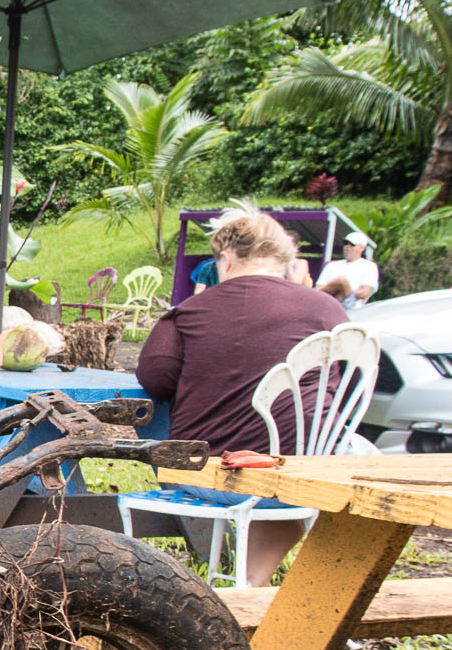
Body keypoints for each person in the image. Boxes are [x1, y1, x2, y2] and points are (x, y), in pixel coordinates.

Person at [137, 211, 348, 586]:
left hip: (209, 473)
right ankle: (261, 581)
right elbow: (349, 383)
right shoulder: (328, 309)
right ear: (285, 260)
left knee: (245, 465)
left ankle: (245, 583)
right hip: (307, 475)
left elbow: (156, 381)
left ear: (227, 258)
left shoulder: (189, 312)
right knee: (359, 455)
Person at [316, 230, 378, 311]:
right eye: (345, 243)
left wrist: (342, 291)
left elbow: (364, 293)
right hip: (327, 304)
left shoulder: (369, 266)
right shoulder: (331, 265)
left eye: (352, 244)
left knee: (342, 281)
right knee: (340, 282)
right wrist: (338, 292)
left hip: (352, 309)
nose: (347, 246)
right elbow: (318, 288)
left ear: (362, 248)